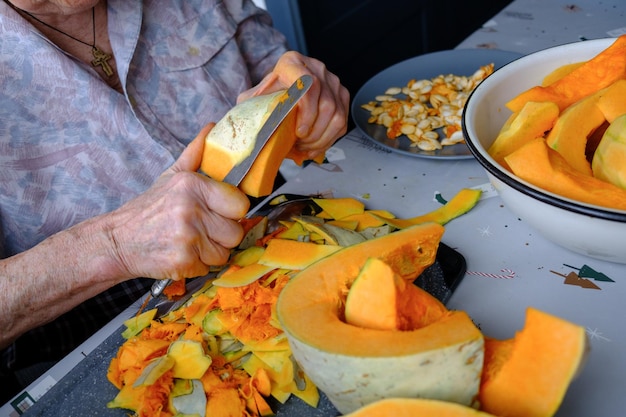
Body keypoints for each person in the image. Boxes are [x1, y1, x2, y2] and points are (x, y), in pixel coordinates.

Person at [0, 0, 349, 401]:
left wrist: (307, 103)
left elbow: (278, 75)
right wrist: (112, 245)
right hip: (97, 340)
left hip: (280, 241)